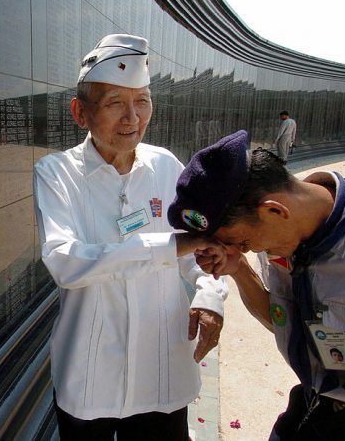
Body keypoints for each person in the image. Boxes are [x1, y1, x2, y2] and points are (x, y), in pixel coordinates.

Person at [33, 34, 229, 440]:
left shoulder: (166, 166)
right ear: (79, 112)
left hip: (161, 369)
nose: (132, 118)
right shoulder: (57, 174)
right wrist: (168, 247)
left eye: (142, 102)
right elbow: (65, 260)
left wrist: (210, 297)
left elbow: (201, 251)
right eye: (114, 104)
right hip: (89, 375)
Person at [167, 130, 345, 440]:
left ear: (274, 210)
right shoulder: (284, 233)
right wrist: (240, 270)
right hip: (319, 408)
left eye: (244, 243)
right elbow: (281, 321)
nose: (248, 251)